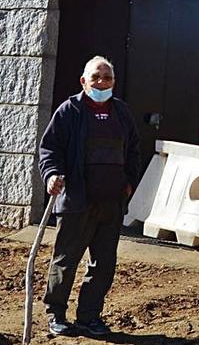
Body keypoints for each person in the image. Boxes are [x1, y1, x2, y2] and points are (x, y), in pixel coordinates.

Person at [39, 56, 140, 337]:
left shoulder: (122, 112)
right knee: (65, 261)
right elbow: (49, 149)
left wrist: (130, 182)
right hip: (76, 202)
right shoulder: (69, 111)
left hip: (111, 204)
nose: (101, 82)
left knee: (103, 265)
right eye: (96, 77)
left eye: (107, 78)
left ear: (114, 83)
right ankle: (56, 315)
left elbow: (133, 150)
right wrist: (51, 175)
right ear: (84, 81)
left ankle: (89, 317)